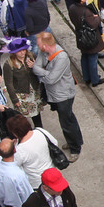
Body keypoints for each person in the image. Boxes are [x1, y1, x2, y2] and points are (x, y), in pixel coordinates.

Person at [34, 31, 84, 159]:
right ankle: (75, 140)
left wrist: (43, 73)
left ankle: (75, 148)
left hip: (63, 95)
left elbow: (51, 79)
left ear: (45, 45)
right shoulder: (43, 52)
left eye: (39, 44)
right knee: (68, 118)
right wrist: (47, 73)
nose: (37, 46)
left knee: (66, 122)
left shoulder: (61, 57)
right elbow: (35, 68)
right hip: (53, 94)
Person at [1, 37, 44, 127]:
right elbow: (9, 83)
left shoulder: (31, 56)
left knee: (36, 114)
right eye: (19, 51)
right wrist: (14, 99)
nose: (22, 52)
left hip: (34, 91)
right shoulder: (8, 64)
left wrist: (35, 66)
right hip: (21, 94)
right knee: (23, 117)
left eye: (24, 50)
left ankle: (39, 129)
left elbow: (42, 69)